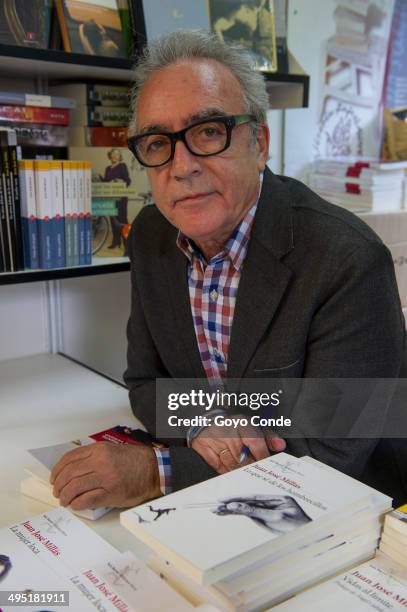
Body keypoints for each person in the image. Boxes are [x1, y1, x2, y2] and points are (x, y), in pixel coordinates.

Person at [50, 30, 405, 512]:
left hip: (351, 516)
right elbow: (147, 382)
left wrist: (159, 471)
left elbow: (331, 453)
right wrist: (204, 424)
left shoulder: (348, 259)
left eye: (208, 132)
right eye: (158, 143)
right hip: (222, 505)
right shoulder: (154, 233)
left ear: (259, 142)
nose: (182, 166)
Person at [101, 148, 131, 251]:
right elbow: (105, 182)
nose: (115, 156)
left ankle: (127, 246)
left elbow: (128, 181)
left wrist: (120, 180)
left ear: (119, 156)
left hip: (121, 198)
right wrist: (100, 179)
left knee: (122, 221)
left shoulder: (122, 166)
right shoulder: (107, 168)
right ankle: (116, 243)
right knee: (113, 221)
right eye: (113, 154)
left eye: (117, 154)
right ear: (110, 156)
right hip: (111, 197)